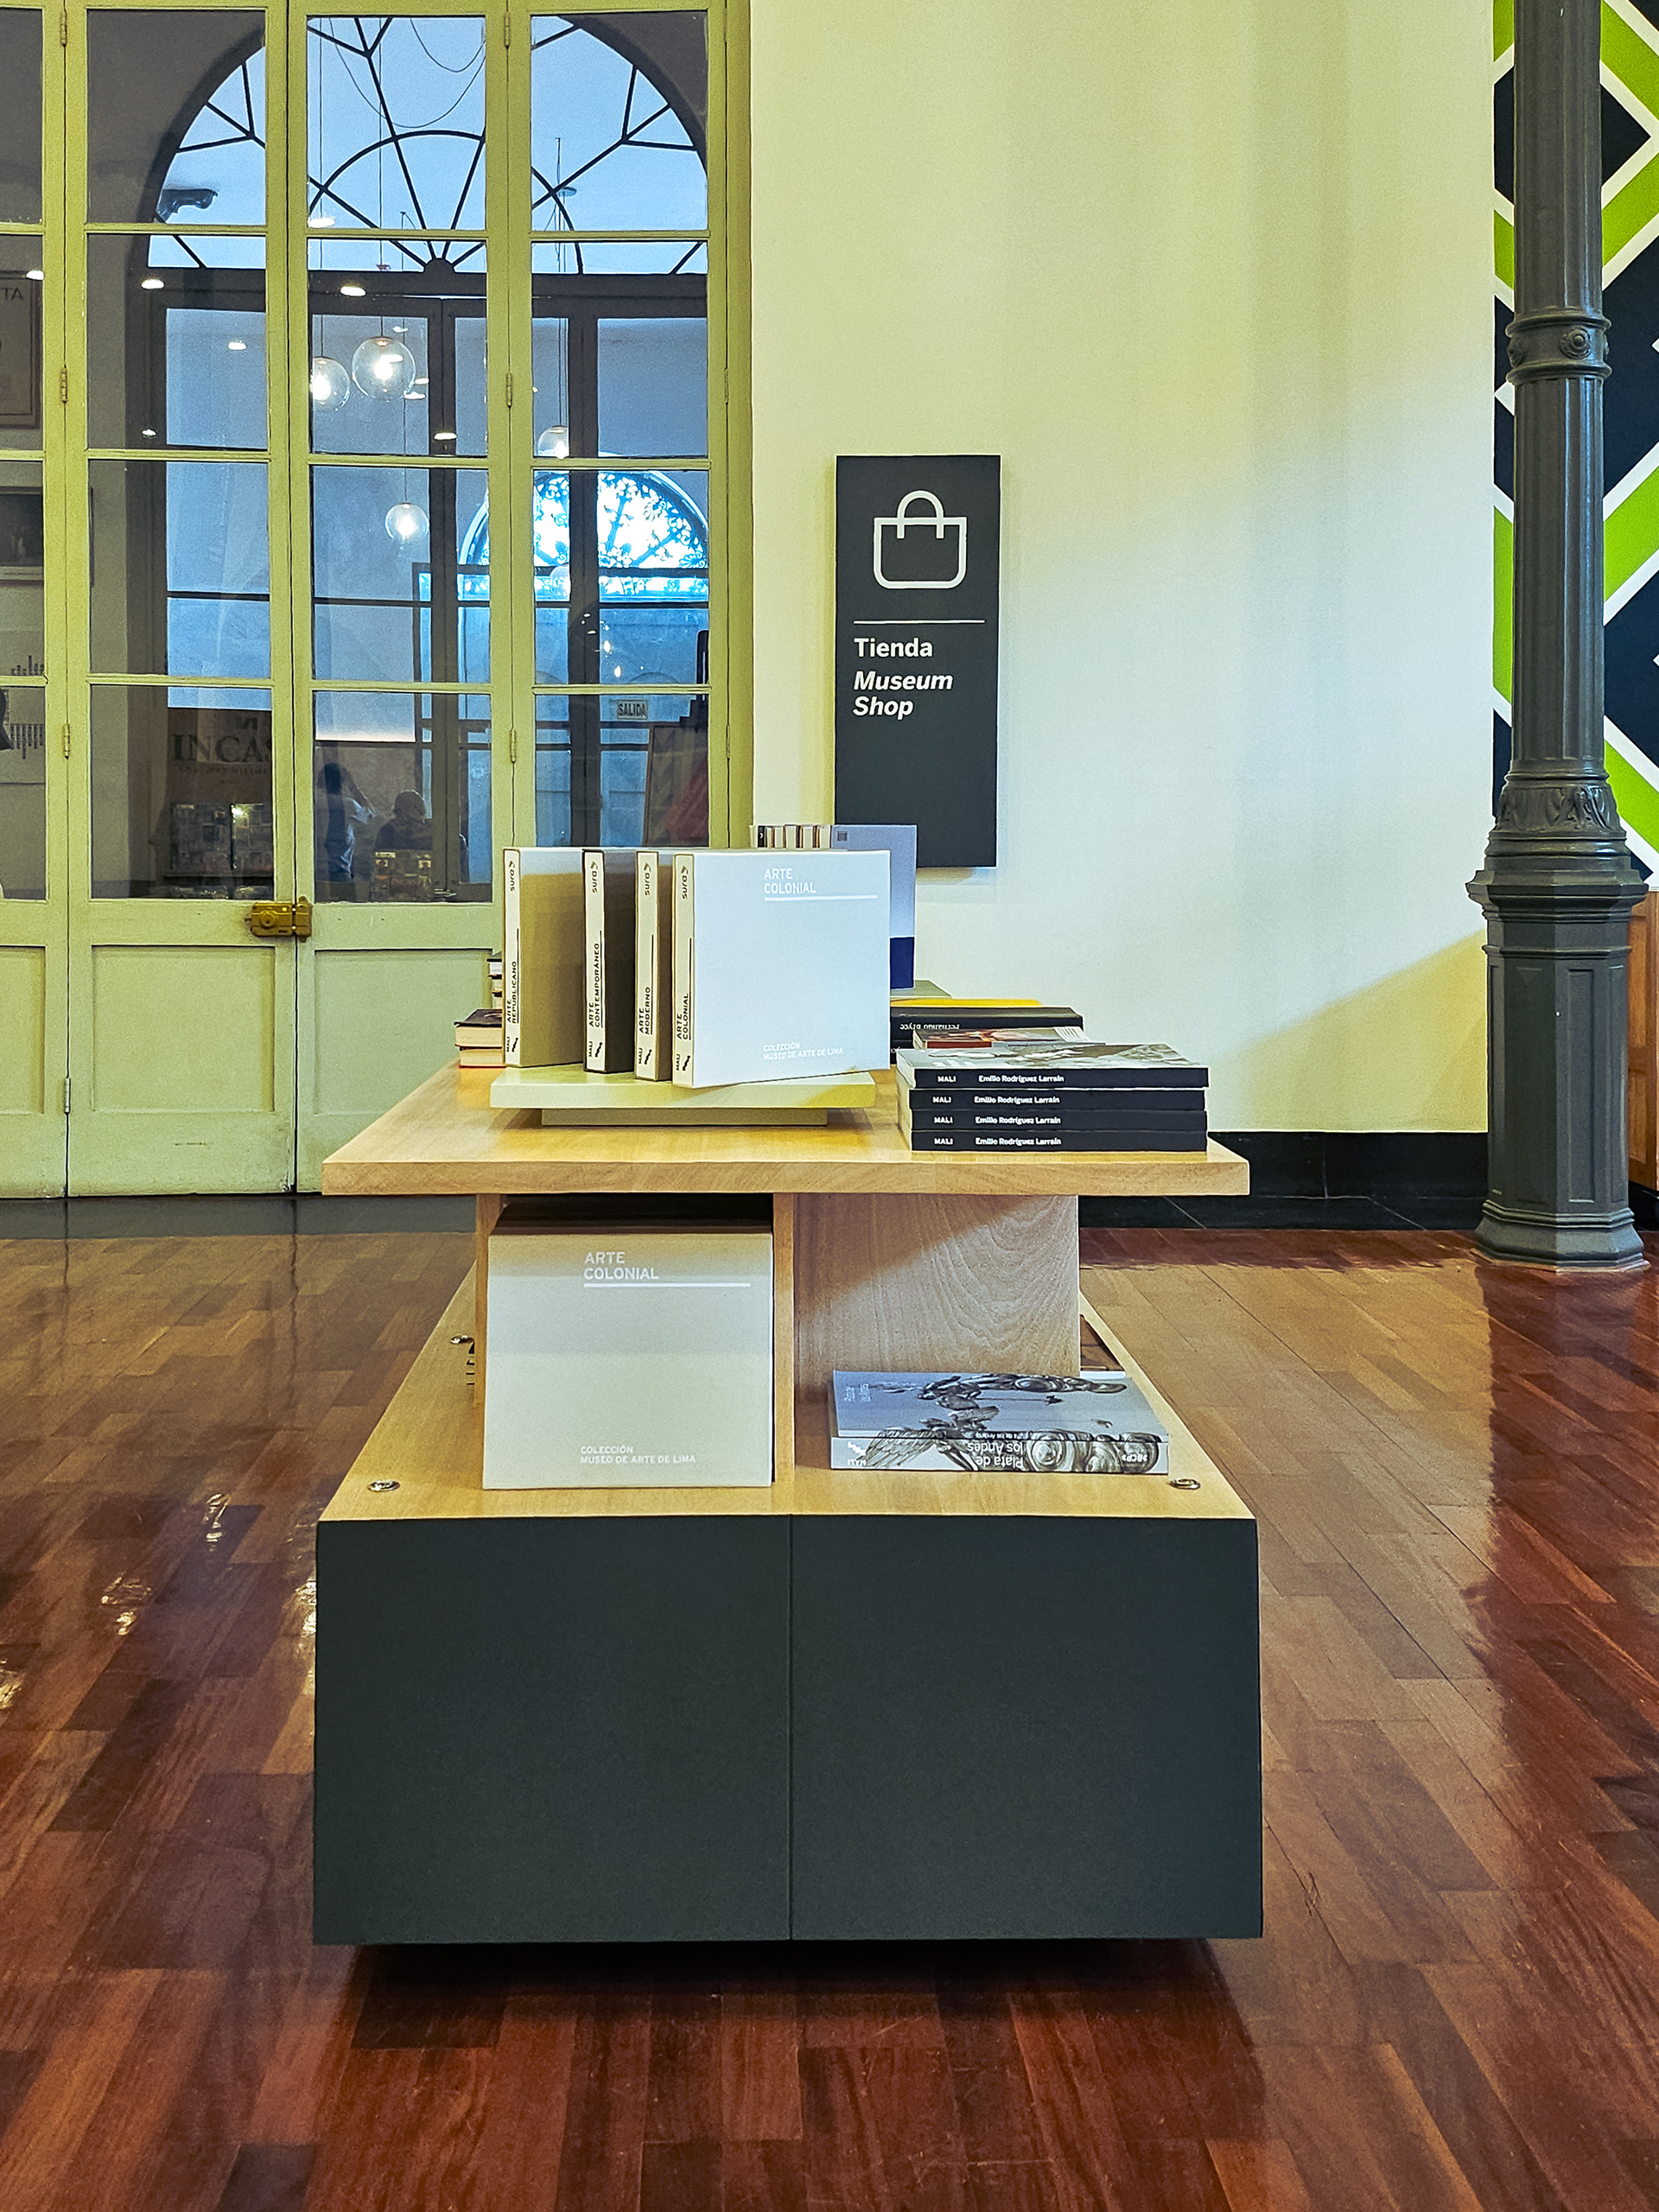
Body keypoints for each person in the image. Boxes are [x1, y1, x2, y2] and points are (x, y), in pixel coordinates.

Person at [319, 760, 372, 882]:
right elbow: (371, 816)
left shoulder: (315, 802)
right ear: (343, 783)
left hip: (313, 868)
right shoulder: (348, 805)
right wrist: (354, 788)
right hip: (339, 870)